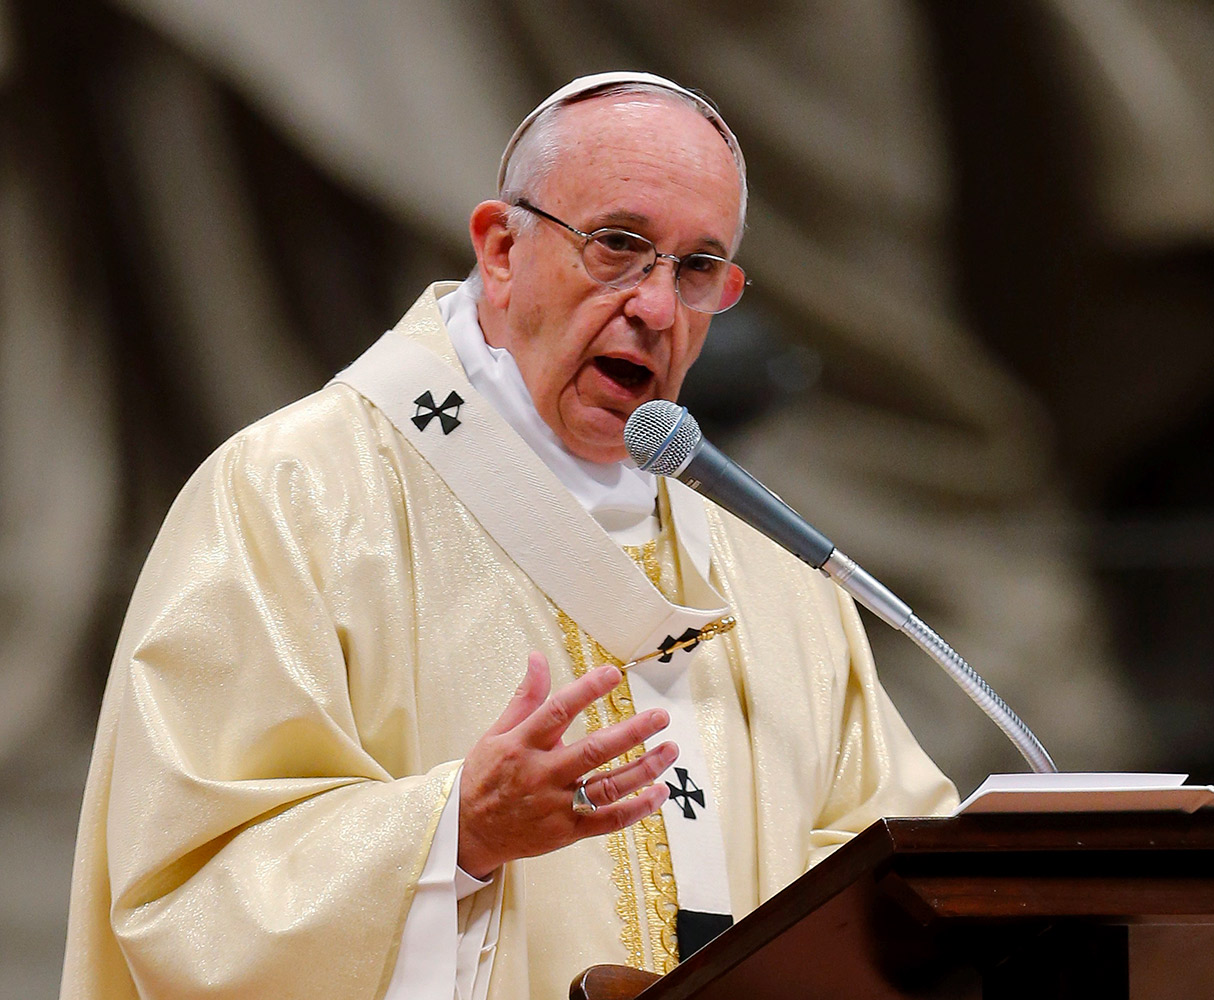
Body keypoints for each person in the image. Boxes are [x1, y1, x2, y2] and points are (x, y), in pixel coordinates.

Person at [60, 72, 957, 1000]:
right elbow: (184, 894)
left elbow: (894, 879)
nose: (656, 308)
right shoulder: (297, 493)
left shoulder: (767, 557)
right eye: (619, 246)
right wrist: (459, 833)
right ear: (499, 247)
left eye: (696, 270)